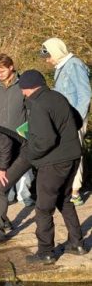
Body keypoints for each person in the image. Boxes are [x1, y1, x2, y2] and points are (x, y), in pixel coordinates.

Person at [18, 69, 88, 265]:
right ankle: (77, 244)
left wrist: (31, 154)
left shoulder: (38, 104)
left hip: (53, 163)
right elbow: (77, 121)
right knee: (65, 200)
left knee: (43, 208)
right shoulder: (58, 97)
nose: (23, 93)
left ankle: (45, 252)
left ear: (30, 88)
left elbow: (46, 140)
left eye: (23, 89)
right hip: (73, 157)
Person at [40, 38, 91, 206]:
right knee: (66, 153)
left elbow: (85, 94)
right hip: (65, 119)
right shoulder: (61, 67)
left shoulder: (74, 65)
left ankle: (75, 191)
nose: (47, 60)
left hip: (74, 118)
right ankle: (68, 188)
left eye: (48, 56)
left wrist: (78, 119)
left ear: (56, 52)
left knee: (74, 153)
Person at [0, 53, 34, 207]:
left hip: (19, 134)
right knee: (3, 164)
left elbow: (30, 108)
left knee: (23, 167)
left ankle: (25, 196)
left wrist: (28, 128)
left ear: (11, 67)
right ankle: (8, 195)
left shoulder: (23, 84)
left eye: (2, 71)